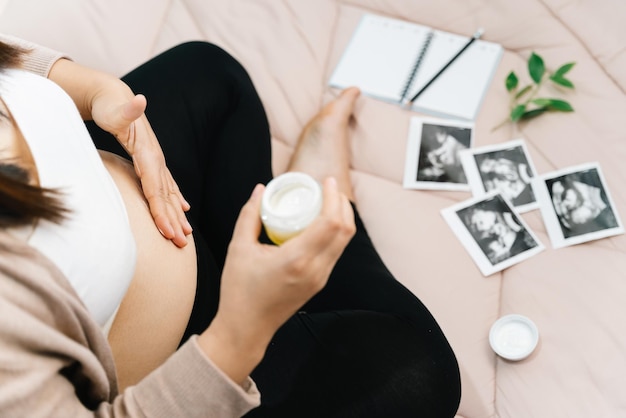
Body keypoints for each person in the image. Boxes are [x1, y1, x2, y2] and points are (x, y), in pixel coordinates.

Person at [0, 34, 461, 417]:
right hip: (168, 367)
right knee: (419, 369)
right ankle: (321, 198)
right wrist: (242, 331)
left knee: (211, 74)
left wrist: (98, 91)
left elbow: (12, 57)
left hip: (137, 196)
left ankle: (288, 220)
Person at [549, 173, 619, 237]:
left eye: (562, 196)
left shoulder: (595, 176)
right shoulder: (609, 222)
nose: (565, 204)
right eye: (566, 215)